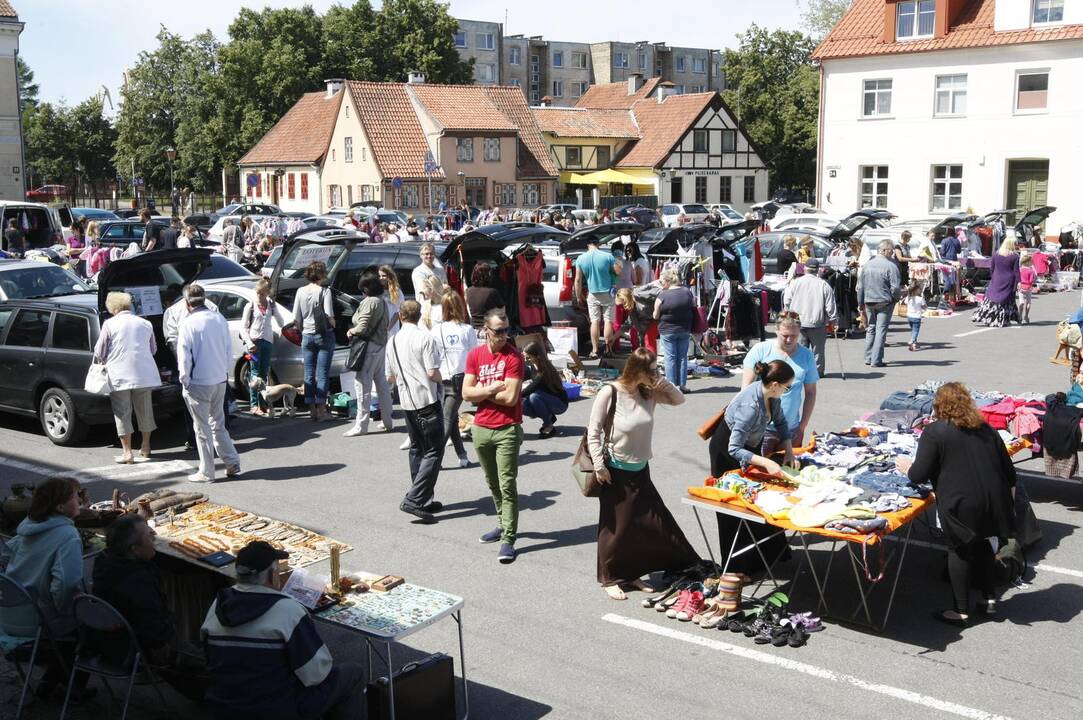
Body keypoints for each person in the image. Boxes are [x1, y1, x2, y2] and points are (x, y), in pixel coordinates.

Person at [201, 541, 365, 720]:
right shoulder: (287, 610)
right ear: (272, 575)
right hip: (276, 709)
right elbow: (317, 674)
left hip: (224, 705)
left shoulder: (217, 605)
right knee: (352, 674)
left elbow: (210, 658)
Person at [897, 383, 1016, 626]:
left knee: (959, 549)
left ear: (939, 405)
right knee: (984, 544)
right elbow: (1009, 472)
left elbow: (918, 475)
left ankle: (960, 611)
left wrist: (906, 467)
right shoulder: (986, 428)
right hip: (994, 500)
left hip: (961, 502)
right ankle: (988, 598)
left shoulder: (935, 432)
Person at [590, 348, 699, 600]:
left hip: (640, 468)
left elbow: (678, 399)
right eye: (651, 371)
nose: (655, 374)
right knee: (615, 528)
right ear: (636, 370)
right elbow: (593, 430)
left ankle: (631, 574)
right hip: (615, 470)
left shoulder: (648, 392)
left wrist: (662, 381)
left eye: (656, 369)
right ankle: (609, 578)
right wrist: (599, 465)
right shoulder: (611, 392)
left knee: (642, 526)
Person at [709, 360, 797, 574]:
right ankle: (737, 568)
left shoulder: (771, 396)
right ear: (775, 384)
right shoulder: (750, 406)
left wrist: (788, 449)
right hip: (726, 452)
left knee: (760, 501)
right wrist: (765, 461)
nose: (788, 390)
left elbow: (781, 422)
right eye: (788, 387)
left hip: (750, 447)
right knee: (736, 510)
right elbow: (734, 449)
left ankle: (765, 558)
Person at [463, 309, 525, 564]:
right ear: (486, 330)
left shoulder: (514, 357)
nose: (503, 336)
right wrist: (490, 388)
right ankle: (502, 522)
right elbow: (466, 393)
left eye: (506, 330)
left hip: (507, 428)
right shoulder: (475, 355)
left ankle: (509, 538)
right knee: (492, 482)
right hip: (480, 427)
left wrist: (480, 391)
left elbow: (511, 398)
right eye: (498, 331)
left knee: (507, 484)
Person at [0, 476, 82, 639]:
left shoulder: (28, 526)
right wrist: (69, 613)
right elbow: (65, 585)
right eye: (74, 497)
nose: (79, 499)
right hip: (38, 624)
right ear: (60, 507)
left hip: (8, 617)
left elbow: (5, 557)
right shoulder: (68, 535)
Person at [386, 300, 445, 524]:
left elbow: (390, 377)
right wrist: (444, 380)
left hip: (407, 402)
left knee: (417, 448)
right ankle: (415, 498)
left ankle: (423, 497)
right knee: (433, 450)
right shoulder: (425, 338)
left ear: (401, 316)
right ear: (419, 316)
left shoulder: (392, 341)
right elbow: (432, 372)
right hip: (426, 400)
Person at [91, 514, 176, 666]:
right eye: (149, 537)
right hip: (133, 652)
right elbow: (153, 627)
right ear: (134, 549)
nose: (154, 539)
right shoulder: (138, 580)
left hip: (106, 642)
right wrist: (164, 645)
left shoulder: (105, 560)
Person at [177, 283, 241, 483]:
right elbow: (228, 350)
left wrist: (184, 379)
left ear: (188, 303)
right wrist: (224, 372)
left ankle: (207, 471)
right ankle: (231, 461)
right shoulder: (219, 318)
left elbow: (184, 356)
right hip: (219, 378)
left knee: (202, 428)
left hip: (199, 381)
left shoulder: (188, 323)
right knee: (218, 423)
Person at [96, 291, 160, 464]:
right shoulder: (145, 323)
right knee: (145, 410)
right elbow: (153, 350)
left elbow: (99, 351)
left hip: (119, 374)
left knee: (122, 413)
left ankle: (127, 452)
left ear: (113, 307)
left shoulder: (109, 324)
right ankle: (146, 447)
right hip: (144, 373)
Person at [742, 312, 818, 446]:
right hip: (761, 429)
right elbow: (746, 389)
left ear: (799, 331)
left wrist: (802, 426)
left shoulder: (807, 355)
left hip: (792, 429)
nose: (789, 340)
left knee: (790, 467)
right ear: (776, 331)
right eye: (785, 336)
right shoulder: (760, 350)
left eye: (794, 336)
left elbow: (811, 392)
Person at [343, 271, 394, 437]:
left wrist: (351, 331)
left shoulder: (370, 302)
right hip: (380, 345)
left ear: (366, 288)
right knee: (382, 385)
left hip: (368, 347)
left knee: (362, 385)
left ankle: (361, 425)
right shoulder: (382, 301)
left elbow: (363, 325)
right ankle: (387, 421)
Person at [430, 290, 477, 467]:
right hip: (462, 379)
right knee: (451, 417)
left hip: (443, 379)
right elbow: (474, 355)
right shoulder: (467, 330)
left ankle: (434, 459)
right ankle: (462, 455)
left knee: (447, 418)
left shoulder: (436, 330)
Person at [292, 261, 336, 420]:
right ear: (321, 274)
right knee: (322, 374)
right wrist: (334, 324)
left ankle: (311, 410)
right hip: (323, 335)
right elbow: (329, 314)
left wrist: (303, 329)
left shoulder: (300, 291)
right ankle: (322, 410)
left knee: (308, 373)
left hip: (307, 335)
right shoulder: (325, 291)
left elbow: (296, 318)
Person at [782, 257, 837, 376]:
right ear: (818, 270)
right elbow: (830, 306)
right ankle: (818, 372)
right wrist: (833, 320)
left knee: (799, 349)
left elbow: (786, 300)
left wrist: (788, 314)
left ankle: (800, 371)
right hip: (817, 322)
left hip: (798, 322)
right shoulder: (823, 285)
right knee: (818, 350)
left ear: (805, 269)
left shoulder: (795, 282)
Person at [241, 278, 286, 416]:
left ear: (267, 293)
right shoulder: (250, 306)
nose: (259, 296)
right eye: (258, 293)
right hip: (254, 344)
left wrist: (275, 307)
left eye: (262, 293)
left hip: (267, 342)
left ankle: (263, 402)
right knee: (254, 373)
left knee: (264, 373)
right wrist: (249, 343)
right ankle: (254, 405)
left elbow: (281, 322)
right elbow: (243, 328)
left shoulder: (270, 305)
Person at [575, 235, 622, 358]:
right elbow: (617, 271)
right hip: (608, 292)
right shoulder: (607, 256)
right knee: (608, 321)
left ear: (587, 245)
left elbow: (578, 280)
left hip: (592, 293)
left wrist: (578, 295)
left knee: (594, 321)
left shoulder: (580, 258)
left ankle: (595, 350)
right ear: (598, 244)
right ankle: (608, 349)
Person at [858, 239, 902, 367]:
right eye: (891, 251)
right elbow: (895, 288)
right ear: (885, 250)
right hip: (884, 302)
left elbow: (860, 287)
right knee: (881, 330)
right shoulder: (891, 266)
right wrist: (895, 299)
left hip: (869, 301)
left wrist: (860, 302)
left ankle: (868, 357)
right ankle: (876, 360)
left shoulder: (867, 265)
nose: (892, 254)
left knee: (871, 328)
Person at [653, 268, 694, 393]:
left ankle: (671, 386)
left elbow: (655, 315)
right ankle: (682, 385)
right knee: (682, 358)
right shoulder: (687, 292)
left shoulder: (662, 295)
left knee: (670, 358)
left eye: (662, 282)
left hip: (668, 330)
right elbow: (693, 306)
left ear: (667, 281)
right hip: (684, 329)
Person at [521, 341, 569, 438]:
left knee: (533, 396)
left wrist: (513, 396)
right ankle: (548, 416)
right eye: (524, 356)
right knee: (521, 404)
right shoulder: (531, 367)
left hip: (559, 404)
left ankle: (548, 425)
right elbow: (519, 377)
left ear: (537, 356)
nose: (526, 359)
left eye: (529, 357)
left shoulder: (544, 371)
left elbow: (531, 388)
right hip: (545, 399)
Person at [973, 237, 1021, 327]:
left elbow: (992, 268)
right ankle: (1002, 319)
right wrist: (1019, 282)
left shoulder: (996, 254)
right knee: (1006, 300)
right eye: (1015, 244)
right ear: (1011, 244)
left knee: (992, 298)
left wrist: (994, 277)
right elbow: (1016, 271)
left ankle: (988, 317)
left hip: (997, 278)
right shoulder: (1015, 256)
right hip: (1008, 280)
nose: (1016, 245)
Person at [465, 262, 504, 329]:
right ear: (487, 275)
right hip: (489, 329)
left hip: (474, 329)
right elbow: (502, 311)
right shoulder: (492, 292)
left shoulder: (467, 291)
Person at [904, 280, 927, 352]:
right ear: (918, 290)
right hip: (916, 317)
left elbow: (905, 303)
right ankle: (912, 340)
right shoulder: (920, 298)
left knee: (913, 330)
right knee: (916, 331)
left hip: (909, 316)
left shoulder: (909, 297)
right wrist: (925, 307)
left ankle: (914, 344)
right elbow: (924, 307)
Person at [1017, 252, 1036, 324]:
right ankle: (1026, 316)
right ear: (1028, 262)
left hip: (1021, 287)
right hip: (1028, 287)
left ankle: (1019, 316)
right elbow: (1032, 280)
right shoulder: (1031, 271)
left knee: (1021, 302)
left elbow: (1017, 278)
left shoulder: (1020, 269)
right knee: (1028, 302)